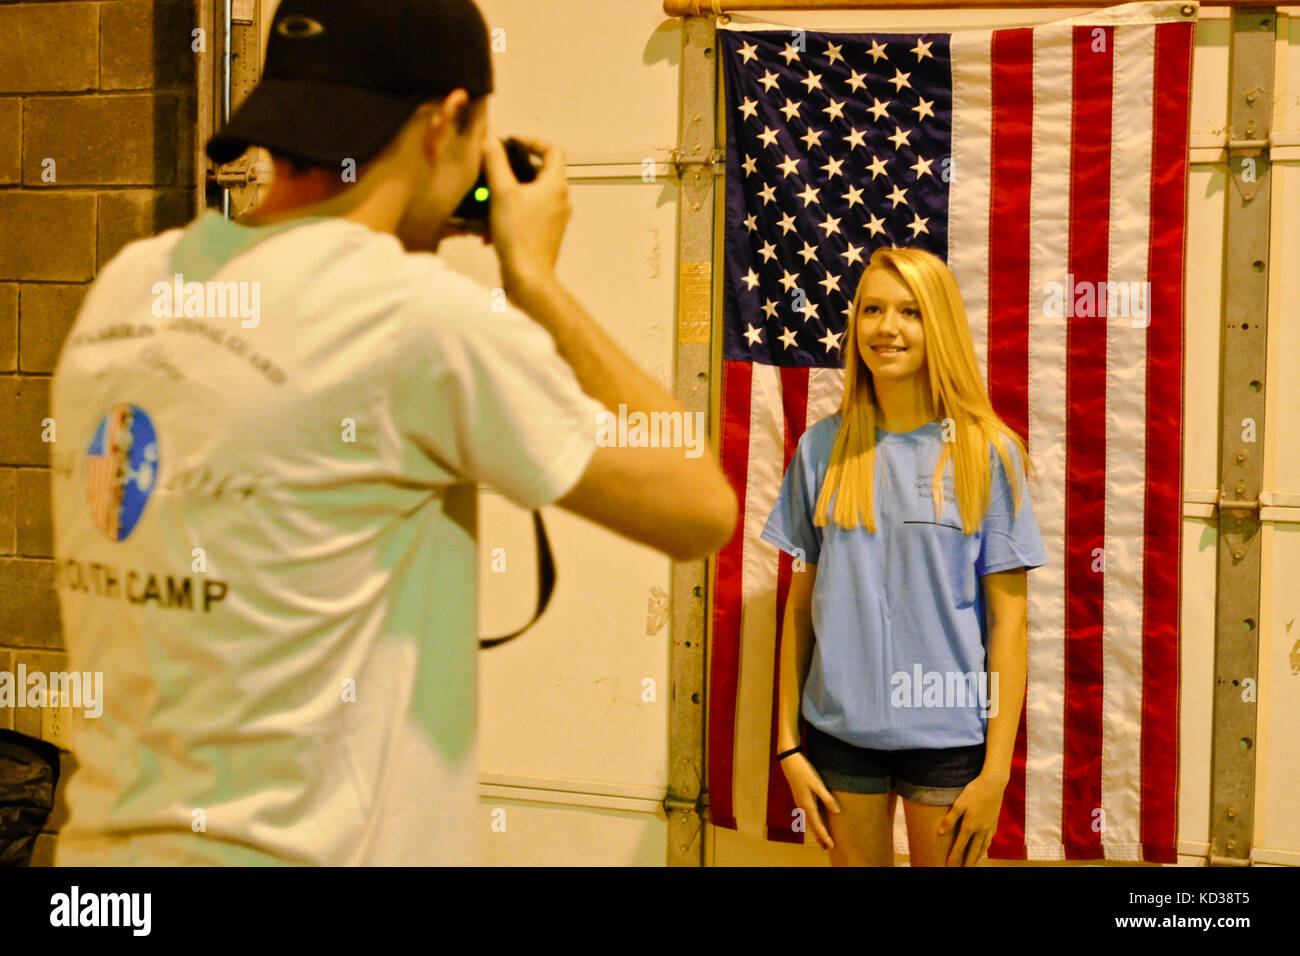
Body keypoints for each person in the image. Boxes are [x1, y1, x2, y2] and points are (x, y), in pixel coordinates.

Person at [49, 0, 736, 865]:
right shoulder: (417, 322)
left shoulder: (132, 283)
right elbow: (700, 506)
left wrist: (402, 239)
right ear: (448, 121)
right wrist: (534, 282)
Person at [762, 246, 1047, 867]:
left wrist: (996, 771)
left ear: (937, 325)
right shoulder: (822, 448)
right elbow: (800, 607)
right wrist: (787, 747)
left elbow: (1009, 624)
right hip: (839, 737)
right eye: (872, 310)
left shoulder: (986, 453)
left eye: (910, 312)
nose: (886, 328)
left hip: (948, 741)